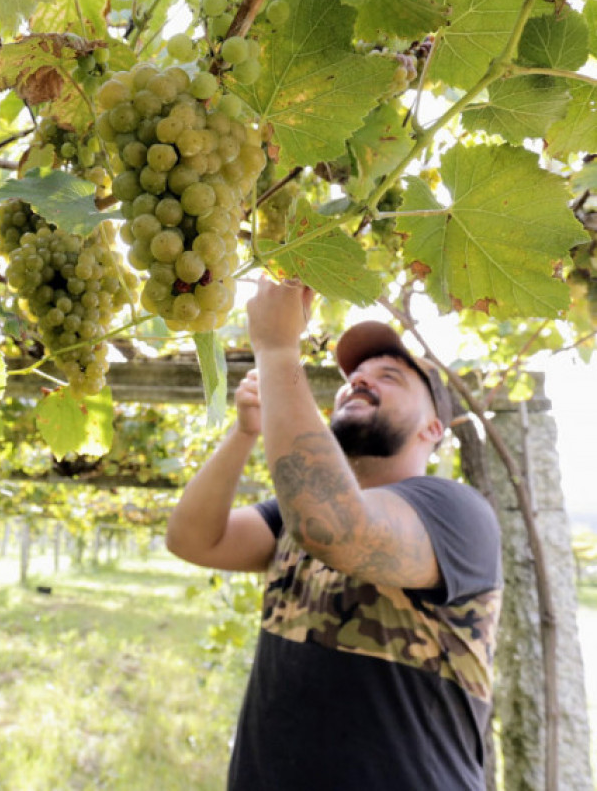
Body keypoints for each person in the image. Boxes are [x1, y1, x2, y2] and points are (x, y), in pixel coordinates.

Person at [165, 276, 503, 791]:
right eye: (353, 377)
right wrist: (244, 434)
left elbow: (337, 529)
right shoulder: (295, 514)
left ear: (433, 429)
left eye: (388, 376)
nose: (358, 382)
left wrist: (278, 351)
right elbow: (192, 539)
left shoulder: (456, 512)